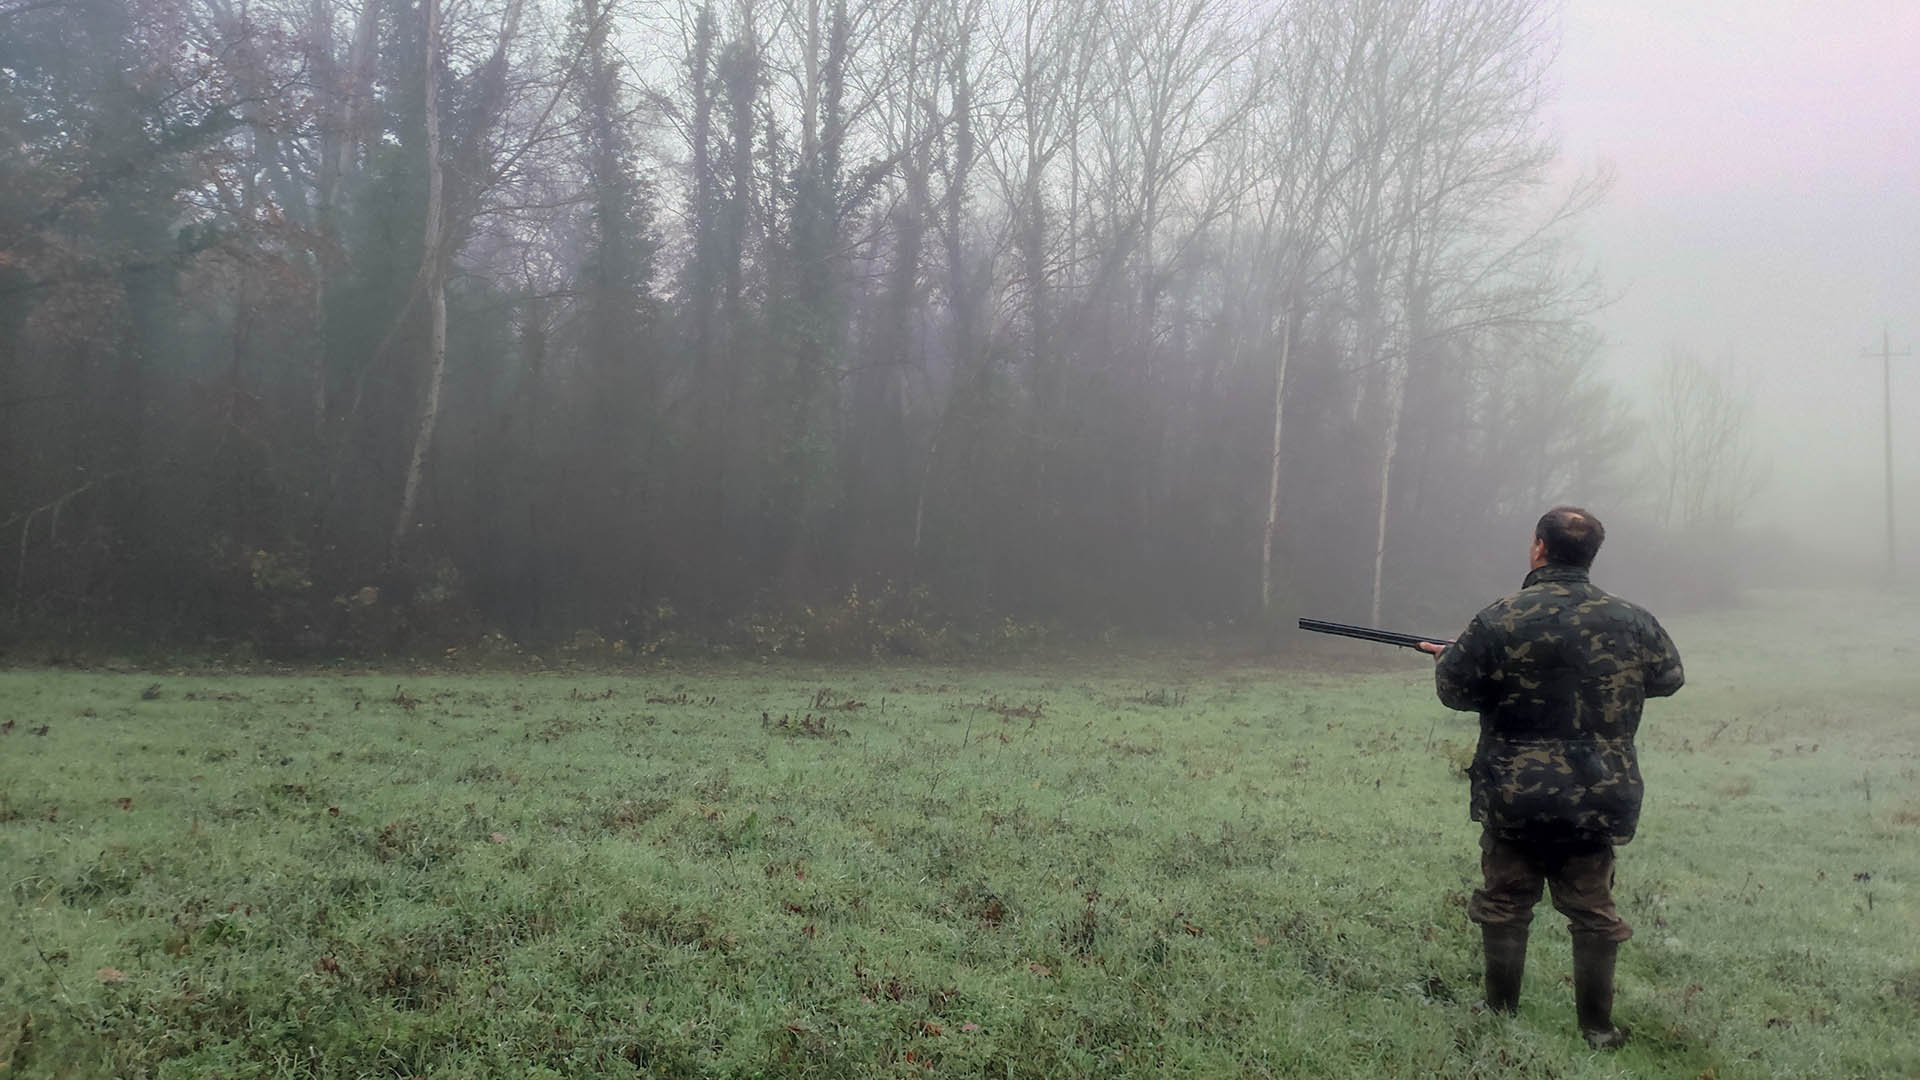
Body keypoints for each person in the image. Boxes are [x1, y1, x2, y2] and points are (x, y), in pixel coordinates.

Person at [1417, 506, 1684, 1049]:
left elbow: (1456, 692)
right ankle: (1598, 1029)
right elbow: (1668, 678)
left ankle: (1499, 1016)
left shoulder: (1500, 618)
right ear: (1590, 554)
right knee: (1593, 911)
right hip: (1598, 791)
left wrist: (1450, 660)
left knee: (1506, 902)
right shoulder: (1633, 619)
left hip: (1517, 793)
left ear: (1539, 546)